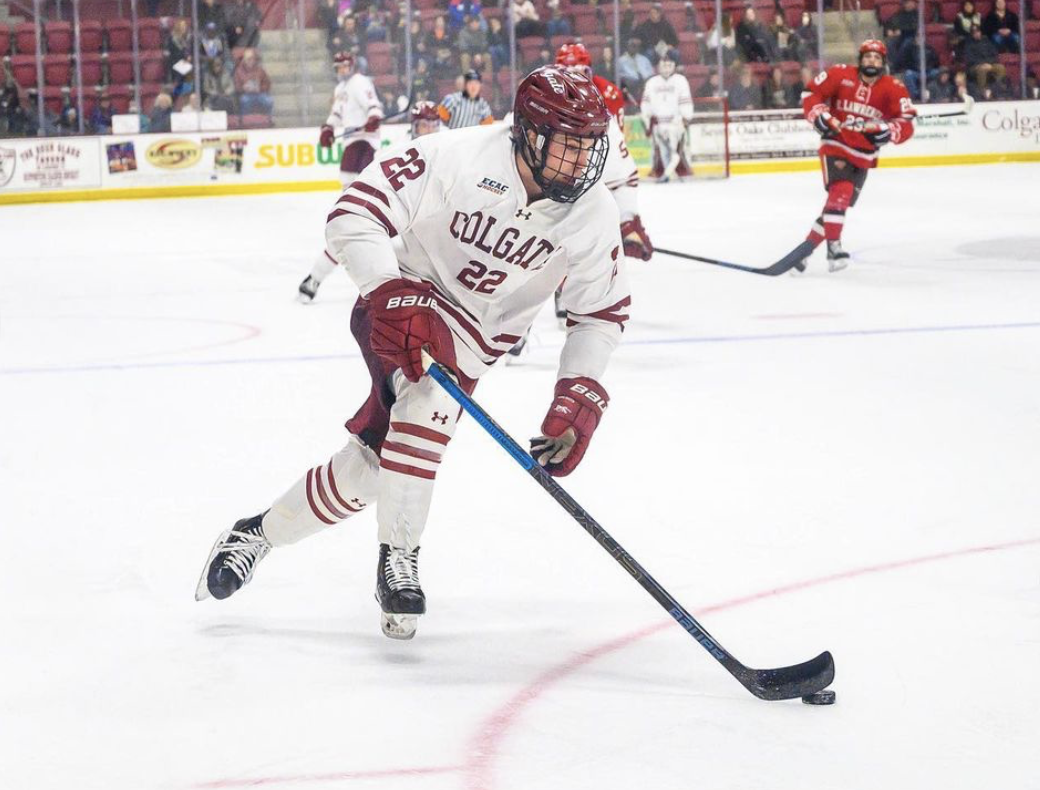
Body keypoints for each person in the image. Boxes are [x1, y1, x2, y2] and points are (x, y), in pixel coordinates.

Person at [196, 67, 630, 642]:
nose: (581, 163)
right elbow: (353, 213)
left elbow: (599, 312)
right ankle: (398, 560)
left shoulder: (593, 212)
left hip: (475, 340)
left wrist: (579, 390)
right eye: (566, 146)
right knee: (424, 411)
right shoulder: (457, 156)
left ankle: (255, 534)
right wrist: (384, 287)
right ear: (528, 133)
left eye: (587, 147)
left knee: (373, 468)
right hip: (404, 297)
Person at [798, 39, 915, 272]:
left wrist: (890, 131)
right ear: (860, 59)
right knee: (840, 192)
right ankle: (834, 248)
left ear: (883, 62)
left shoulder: (894, 88)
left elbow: (906, 123)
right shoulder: (840, 74)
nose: (871, 61)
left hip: (863, 155)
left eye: (877, 58)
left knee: (837, 206)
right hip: (836, 143)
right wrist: (819, 115)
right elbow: (811, 93)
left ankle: (805, 251)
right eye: (867, 56)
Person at [297, 52, 383, 302]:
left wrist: (373, 119)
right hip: (351, 142)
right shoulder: (341, 88)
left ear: (351, 65)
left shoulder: (360, 83)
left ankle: (356, 210)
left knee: (356, 196)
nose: (341, 69)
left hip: (364, 142)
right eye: (338, 66)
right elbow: (336, 113)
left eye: (345, 65)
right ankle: (353, 210)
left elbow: (373, 106)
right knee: (347, 186)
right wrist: (328, 128)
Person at [556, 42, 652, 262]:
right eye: (567, 73)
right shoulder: (548, 93)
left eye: (581, 72)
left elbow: (617, 157)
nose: (575, 80)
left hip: (596, 169)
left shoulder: (608, 94)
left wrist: (625, 220)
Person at [640, 49, 694, 180]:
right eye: (663, 65)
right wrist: (647, 119)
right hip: (658, 124)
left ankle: (680, 173)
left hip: (676, 124)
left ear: (674, 66)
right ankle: (661, 173)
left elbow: (685, 103)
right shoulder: (651, 82)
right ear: (658, 66)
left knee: (678, 151)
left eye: (669, 65)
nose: (666, 68)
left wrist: (685, 119)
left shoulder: (680, 81)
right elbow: (646, 105)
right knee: (658, 151)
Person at [891, 32, 940, 101]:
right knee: (909, 74)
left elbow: (935, 61)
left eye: (922, 37)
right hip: (915, 72)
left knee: (937, 72)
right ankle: (914, 95)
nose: (920, 39)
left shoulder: (929, 48)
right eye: (918, 37)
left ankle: (933, 94)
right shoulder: (910, 48)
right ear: (916, 38)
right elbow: (905, 61)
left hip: (927, 72)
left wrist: (929, 67)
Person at [961, 25, 1006, 92]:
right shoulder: (968, 44)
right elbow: (970, 59)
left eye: (978, 31)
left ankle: (998, 86)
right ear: (971, 34)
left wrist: (988, 63)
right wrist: (983, 64)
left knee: (1000, 67)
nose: (977, 34)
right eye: (974, 32)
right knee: (982, 69)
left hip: (989, 64)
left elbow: (995, 55)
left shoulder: (987, 42)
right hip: (974, 66)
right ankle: (982, 90)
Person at [233, 48, 274, 115]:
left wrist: (259, 88)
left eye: (252, 58)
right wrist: (243, 88)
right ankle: (245, 121)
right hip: (246, 94)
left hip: (259, 94)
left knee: (269, 101)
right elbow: (236, 86)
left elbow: (268, 84)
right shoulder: (238, 71)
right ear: (244, 59)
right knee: (244, 100)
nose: (251, 61)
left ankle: (267, 120)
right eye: (248, 59)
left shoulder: (260, 70)